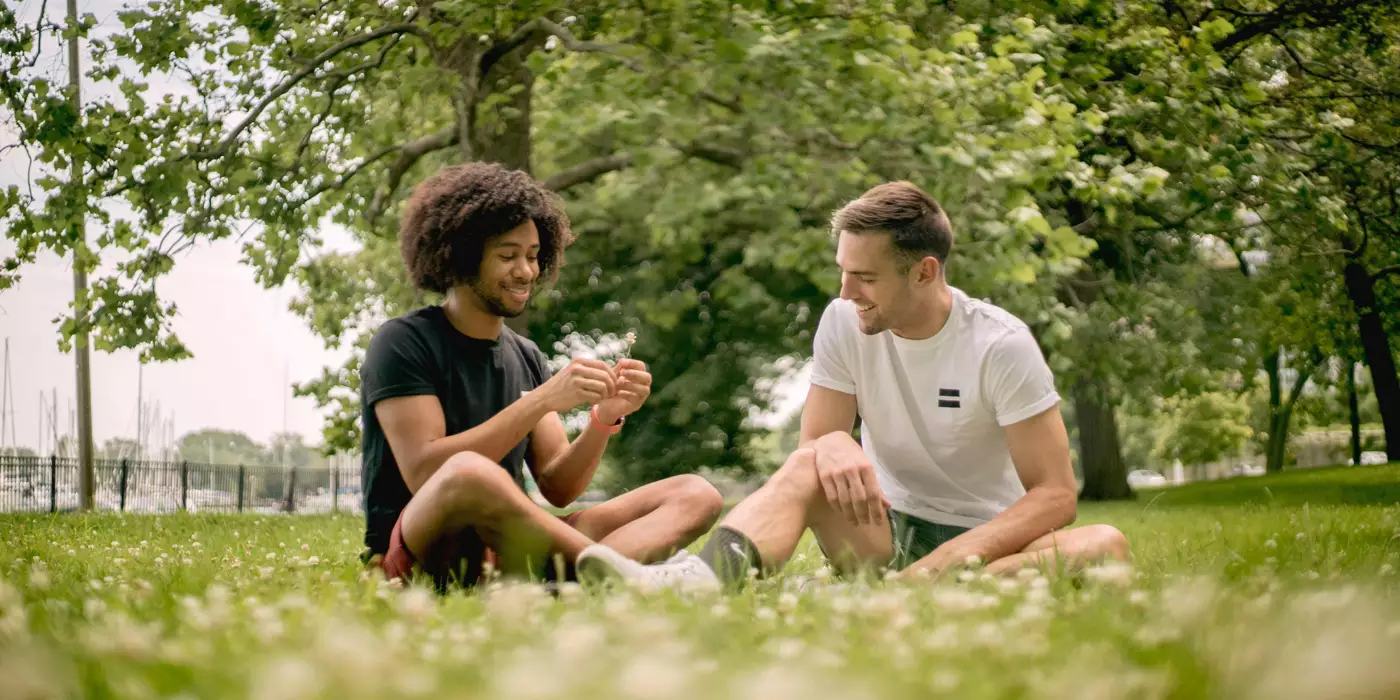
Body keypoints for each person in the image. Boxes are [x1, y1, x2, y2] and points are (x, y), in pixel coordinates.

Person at [574, 181, 1131, 589]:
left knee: (1104, 546)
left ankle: (919, 589)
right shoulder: (843, 320)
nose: (846, 293)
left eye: (865, 277)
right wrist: (834, 443)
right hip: (882, 527)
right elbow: (814, 448)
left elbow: (1055, 495)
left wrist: (942, 563)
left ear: (924, 271)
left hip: (990, 539)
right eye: (843, 271)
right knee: (804, 467)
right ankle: (698, 581)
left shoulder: (999, 345)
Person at [360, 162, 723, 591]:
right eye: (508, 256)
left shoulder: (525, 354)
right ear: (460, 258)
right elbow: (425, 473)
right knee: (468, 474)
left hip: (507, 551)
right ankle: (628, 575)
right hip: (424, 551)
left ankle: (584, 576)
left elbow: (558, 485)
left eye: (533, 256)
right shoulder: (402, 342)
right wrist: (542, 399)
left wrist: (603, 420)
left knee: (696, 493)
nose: (526, 272)